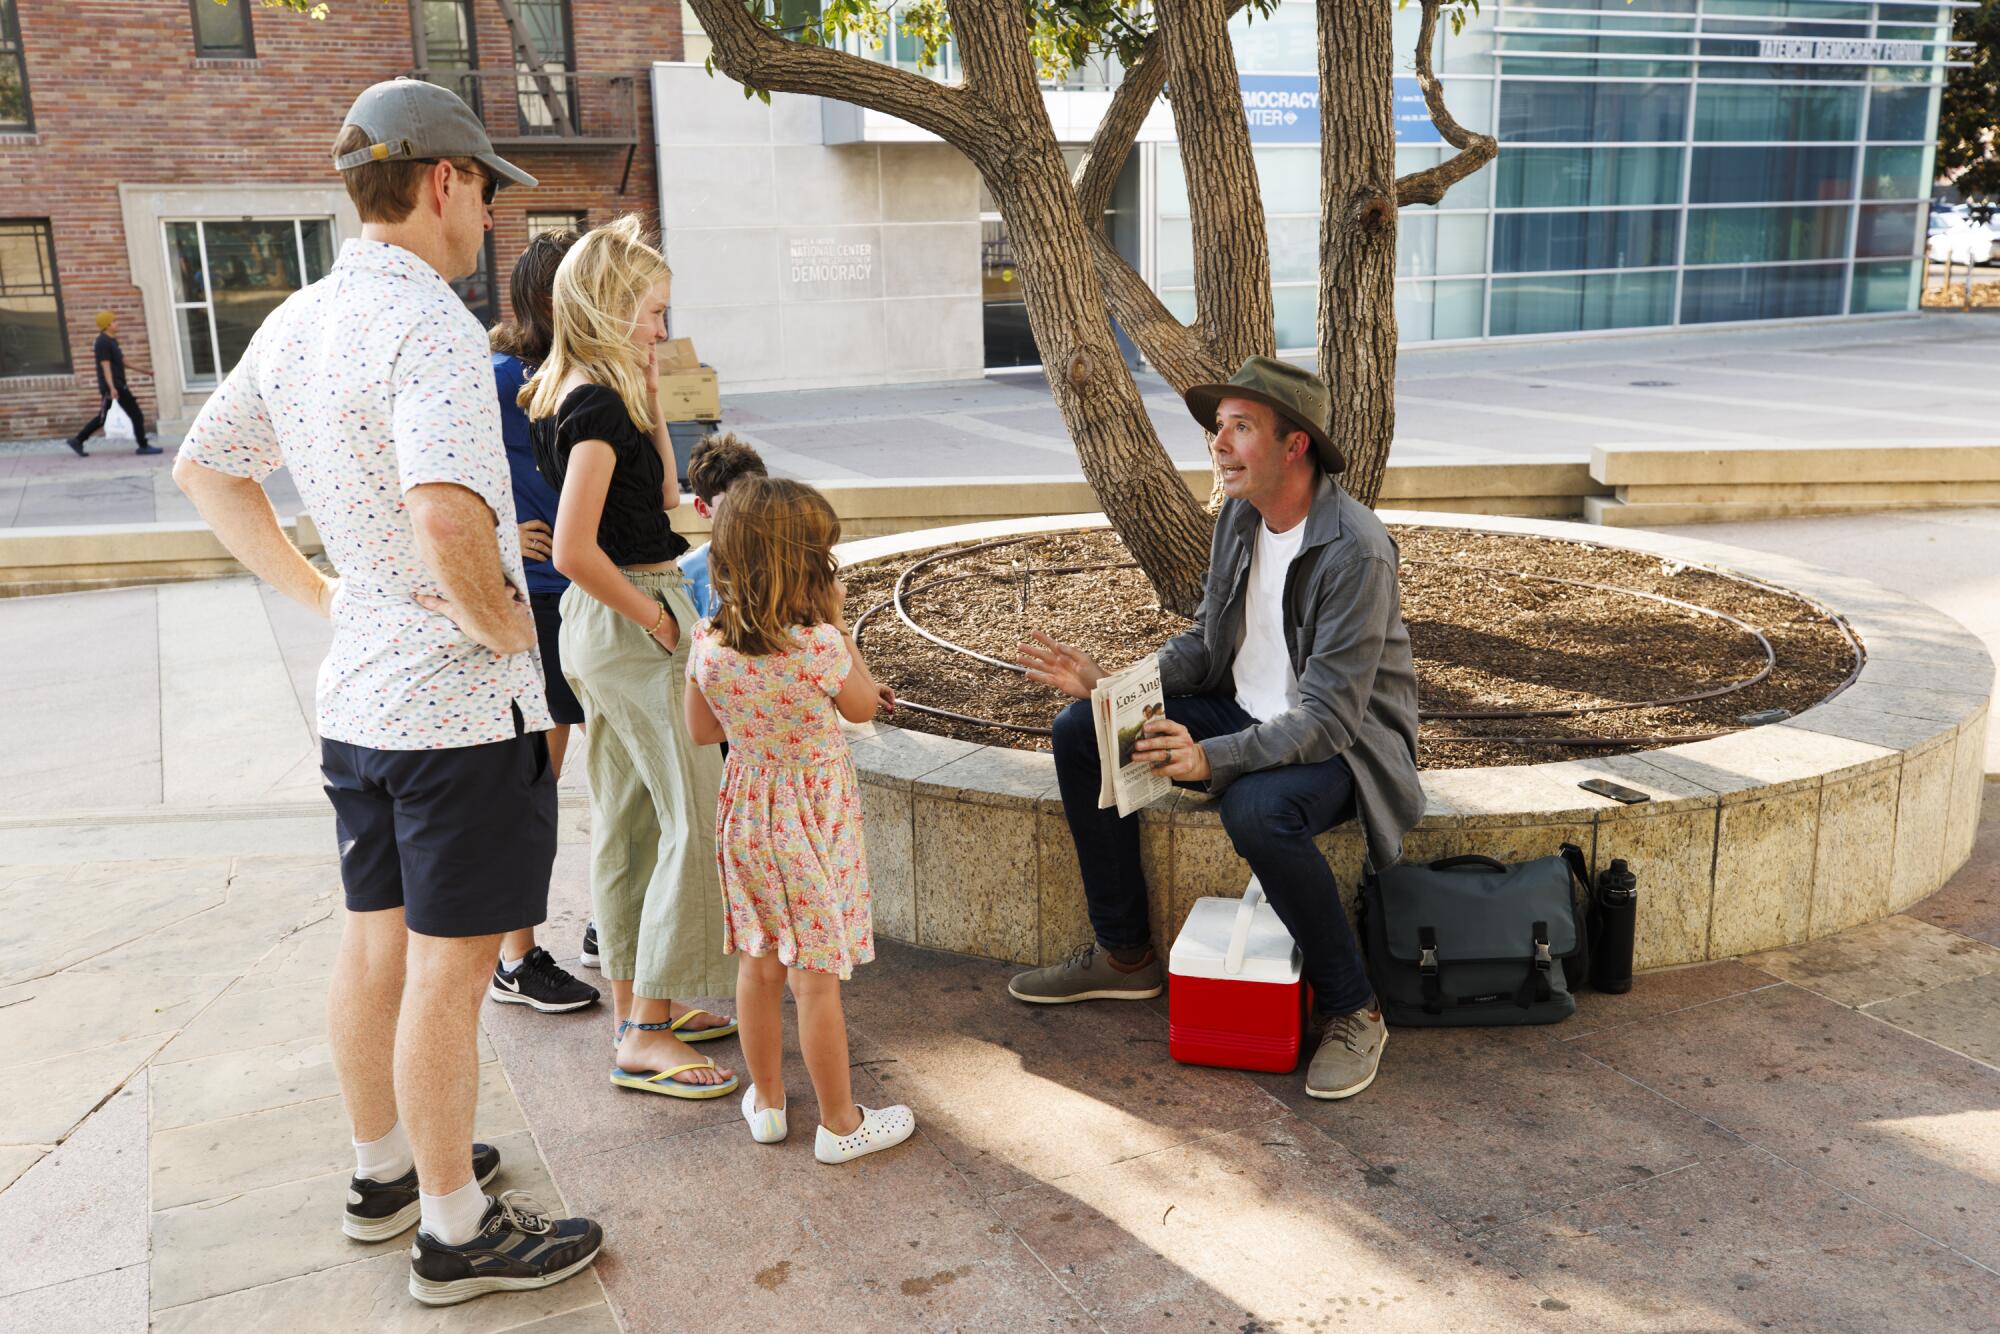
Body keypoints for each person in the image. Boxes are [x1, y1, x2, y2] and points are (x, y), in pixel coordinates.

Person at [172, 78, 601, 1306]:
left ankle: (384, 1173)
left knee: (376, 945)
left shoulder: (305, 315)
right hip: (453, 712)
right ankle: (456, 1230)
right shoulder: (431, 327)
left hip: (359, 703)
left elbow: (207, 468)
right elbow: (443, 510)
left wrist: (323, 595)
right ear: (443, 180)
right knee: (452, 971)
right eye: (484, 193)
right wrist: (504, 624)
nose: (489, 223)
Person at [1010, 356, 1423, 1103]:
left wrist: (1212, 758)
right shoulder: (1239, 515)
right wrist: (1119, 688)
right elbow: (1206, 644)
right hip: (1245, 710)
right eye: (1217, 428)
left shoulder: (1355, 551)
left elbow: (1328, 718)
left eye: (1240, 428)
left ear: (1294, 446)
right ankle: (1127, 955)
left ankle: (1353, 1005)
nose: (1218, 444)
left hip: (1345, 746)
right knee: (1082, 729)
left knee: (1255, 810)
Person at [528, 214, 738, 1099]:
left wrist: (649, 388)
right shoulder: (597, 405)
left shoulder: (572, 391)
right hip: (631, 617)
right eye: (653, 313)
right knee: (693, 817)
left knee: (628, 822)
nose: (663, 329)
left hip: (598, 628)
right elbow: (575, 545)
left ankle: (636, 1010)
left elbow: (658, 492)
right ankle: (646, 1029)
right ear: (612, 305)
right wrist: (658, 624)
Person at [684, 476, 914, 1162]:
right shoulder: (818, 646)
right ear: (804, 564)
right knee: (815, 978)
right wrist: (842, 627)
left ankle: (770, 1105)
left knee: (758, 965)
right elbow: (865, 707)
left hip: (747, 811)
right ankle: (841, 1126)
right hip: (813, 816)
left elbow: (701, 731)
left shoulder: (708, 642)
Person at [486, 231, 602, 1015]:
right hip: (542, 601)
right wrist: (502, 533)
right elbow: (430, 475)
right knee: (538, 779)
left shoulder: (588, 374)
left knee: (625, 768)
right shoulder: (498, 378)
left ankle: (613, 918)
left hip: (599, 591)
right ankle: (515, 958)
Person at [676, 432, 767, 619]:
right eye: (733, 504)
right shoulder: (687, 576)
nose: (748, 512)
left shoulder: (790, 560)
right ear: (702, 508)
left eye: (757, 499)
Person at [68, 310, 159, 457]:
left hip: (117, 385)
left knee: (105, 417)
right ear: (107, 325)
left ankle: (78, 440)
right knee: (134, 414)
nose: (117, 323)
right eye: (114, 321)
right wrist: (111, 388)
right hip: (114, 386)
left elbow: (123, 361)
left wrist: (145, 371)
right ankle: (143, 446)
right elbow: (105, 366)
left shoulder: (112, 340)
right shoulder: (102, 342)